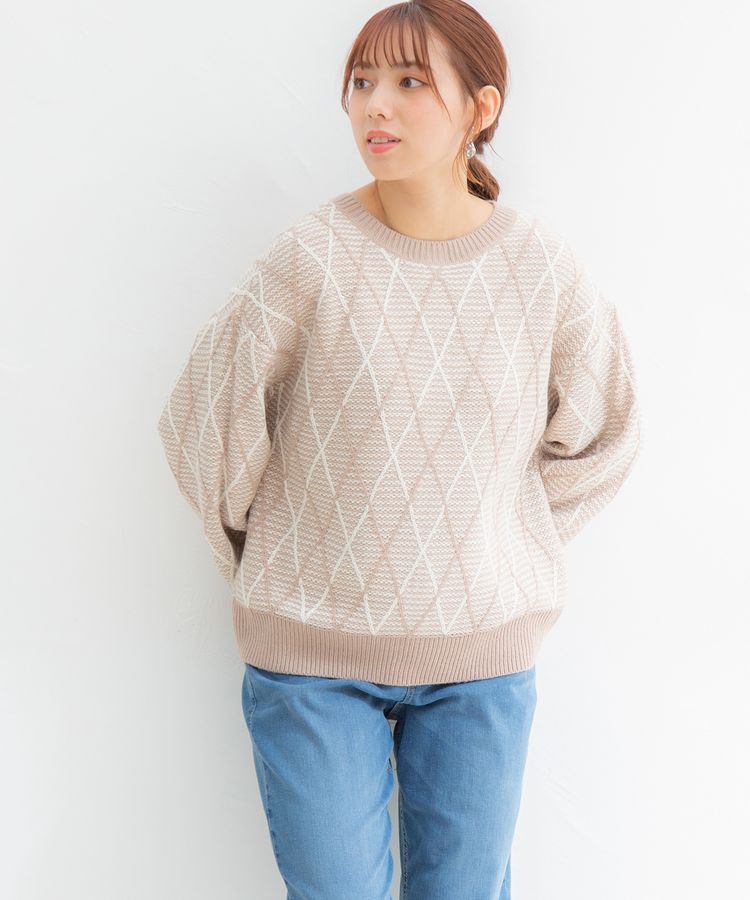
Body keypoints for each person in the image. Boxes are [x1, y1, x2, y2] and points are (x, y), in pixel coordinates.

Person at [157, 1, 642, 897]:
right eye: (362, 81)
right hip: (312, 664)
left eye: (411, 81)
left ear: (481, 108)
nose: (375, 105)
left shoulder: (541, 269)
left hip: (481, 665)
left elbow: (608, 430)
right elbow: (203, 423)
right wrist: (276, 558)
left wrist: (505, 539)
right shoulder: (309, 259)